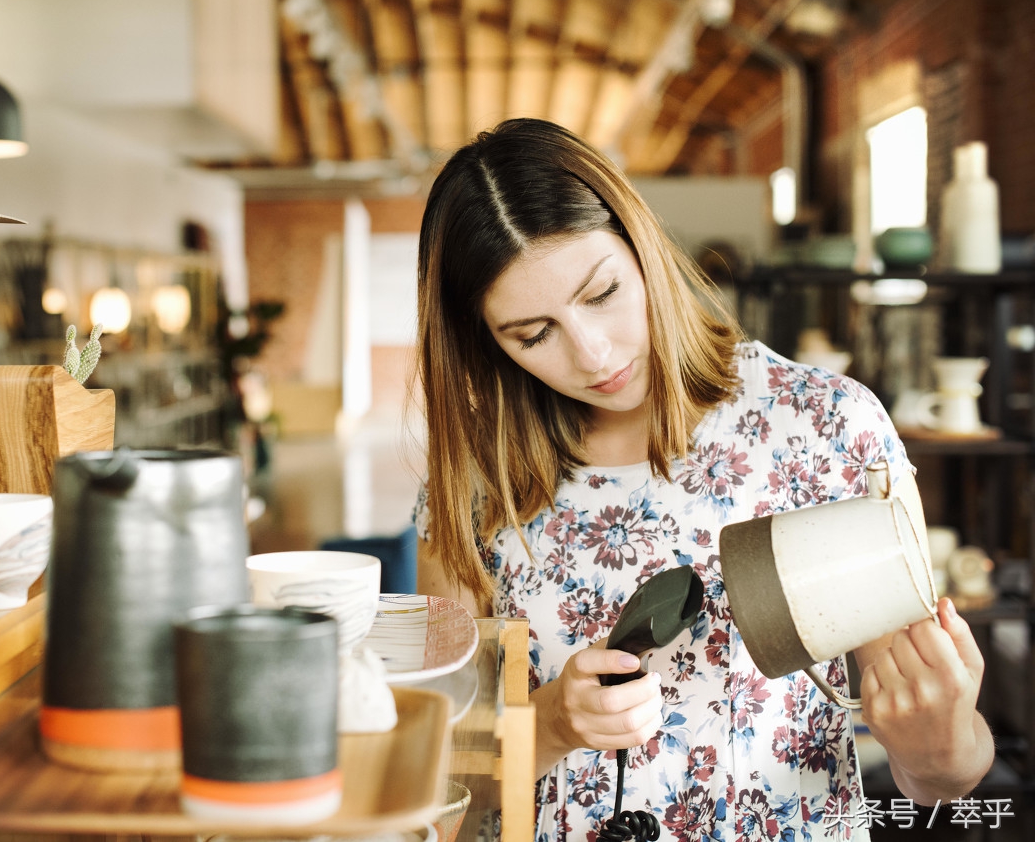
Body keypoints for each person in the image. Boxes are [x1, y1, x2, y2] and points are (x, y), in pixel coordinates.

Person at [412, 118, 993, 842]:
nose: (594, 354)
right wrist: (552, 723)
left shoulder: (822, 426)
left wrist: (936, 738)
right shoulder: (472, 479)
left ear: (642, 246)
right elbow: (442, 782)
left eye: (602, 293)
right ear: (483, 341)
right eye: (534, 334)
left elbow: (943, 774)